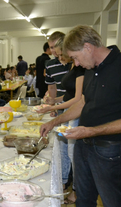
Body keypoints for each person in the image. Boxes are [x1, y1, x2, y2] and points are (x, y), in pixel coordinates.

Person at [40, 25, 121, 207]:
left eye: (75, 58)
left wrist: (91, 131)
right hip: (84, 145)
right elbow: (82, 103)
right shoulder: (90, 69)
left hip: (109, 150)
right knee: (84, 200)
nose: (75, 64)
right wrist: (55, 122)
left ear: (87, 47)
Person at [37, 36, 85, 204]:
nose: (57, 57)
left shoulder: (79, 67)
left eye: (58, 54)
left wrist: (53, 108)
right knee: (66, 151)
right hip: (67, 109)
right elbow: (68, 94)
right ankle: (65, 182)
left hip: (76, 114)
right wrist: (55, 101)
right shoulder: (74, 66)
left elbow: (78, 98)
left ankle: (77, 190)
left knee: (74, 154)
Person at [45, 31, 73, 190]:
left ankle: (70, 181)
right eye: (50, 48)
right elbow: (52, 86)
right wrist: (53, 105)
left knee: (73, 147)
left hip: (74, 107)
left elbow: (76, 95)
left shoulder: (74, 61)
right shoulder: (50, 64)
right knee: (63, 144)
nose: (53, 51)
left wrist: (54, 104)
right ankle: (63, 180)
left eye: (54, 47)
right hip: (61, 107)